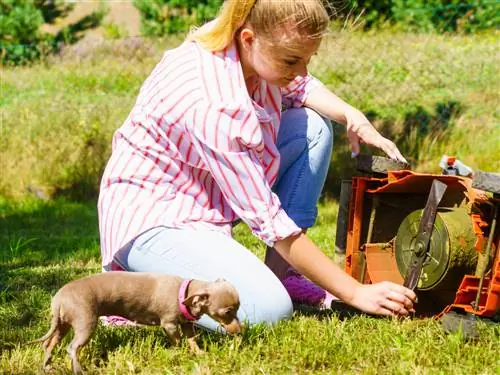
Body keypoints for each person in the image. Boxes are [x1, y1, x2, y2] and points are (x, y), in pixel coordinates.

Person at [98, 0, 416, 331]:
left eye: (308, 59)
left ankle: (284, 275)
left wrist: (352, 115)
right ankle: (133, 292)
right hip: (155, 218)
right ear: (249, 38)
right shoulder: (211, 100)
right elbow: (269, 220)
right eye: (292, 60)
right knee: (267, 311)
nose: (302, 70)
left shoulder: (251, 50)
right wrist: (354, 292)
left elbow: (302, 86)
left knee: (313, 128)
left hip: (199, 202)